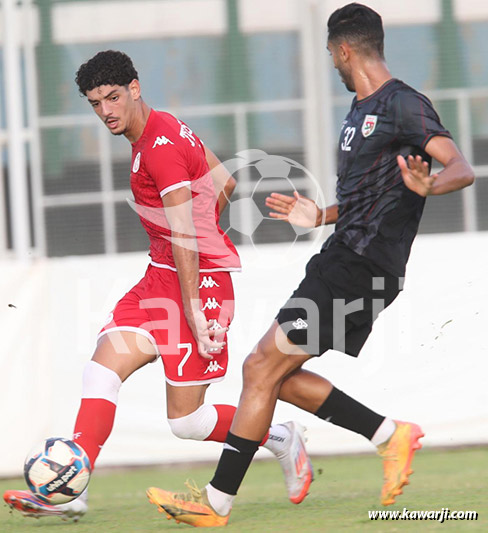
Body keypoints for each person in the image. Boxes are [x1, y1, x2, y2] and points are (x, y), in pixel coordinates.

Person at [147, 3, 475, 527]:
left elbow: (460, 165)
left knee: (260, 367)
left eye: (330, 54)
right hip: (340, 256)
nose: (332, 64)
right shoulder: (357, 113)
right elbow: (372, 193)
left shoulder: (403, 104)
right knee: (275, 374)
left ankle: (215, 504)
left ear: (344, 49)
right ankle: (391, 436)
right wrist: (320, 213)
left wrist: (432, 182)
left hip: (365, 266)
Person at [3, 50, 313, 521]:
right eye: (95, 103)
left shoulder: (160, 148)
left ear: (135, 87)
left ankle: (280, 436)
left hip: (195, 287)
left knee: (187, 423)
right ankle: (74, 487)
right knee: (101, 370)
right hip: (162, 277)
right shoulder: (160, 126)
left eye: (112, 97)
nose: (106, 110)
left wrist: (193, 301)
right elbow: (223, 181)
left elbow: (185, 230)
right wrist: (202, 237)